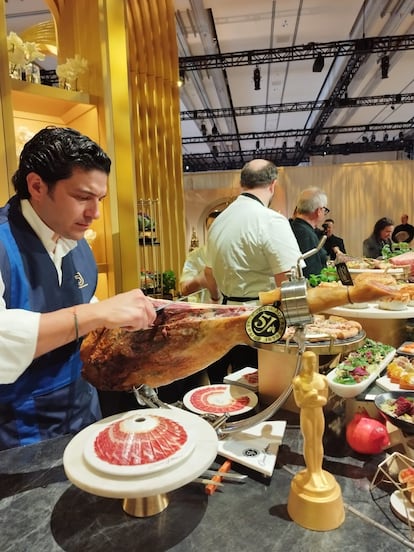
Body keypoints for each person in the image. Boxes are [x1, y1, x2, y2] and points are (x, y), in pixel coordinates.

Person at [0, 127, 157, 450]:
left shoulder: (78, 245)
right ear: (37, 186)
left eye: (99, 199)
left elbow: (84, 312)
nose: (95, 214)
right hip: (18, 435)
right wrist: (95, 312)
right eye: (82, 197)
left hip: (84, 418)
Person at [204, 158, 303, 373]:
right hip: (262, 320)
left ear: (242, 183)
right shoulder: (271, 220)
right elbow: (289, 280)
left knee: (235, 388)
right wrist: (300, 325)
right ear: (273, 185)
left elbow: (209, 273)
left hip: (226, 316)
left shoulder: (218, 221)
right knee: (264, 388)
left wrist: (215, 299)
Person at [292, 350, 329, 489]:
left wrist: (315, 398)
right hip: (306, 414)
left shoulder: (322, 379)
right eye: (308, 362)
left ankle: (318, 471)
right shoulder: (298, 381)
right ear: (303, 363)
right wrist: (309, 397)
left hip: (318, 413)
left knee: (318, 440)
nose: (311, 365)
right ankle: (311, 472)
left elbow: (324, 400)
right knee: (309, 441)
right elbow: (299, 403)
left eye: (313, 362)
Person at [290, 187, 329, 278]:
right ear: (319, 211)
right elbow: (312, 274)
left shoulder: (296, 227)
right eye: (325, 210)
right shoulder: (305, 234)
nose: (324, 213)